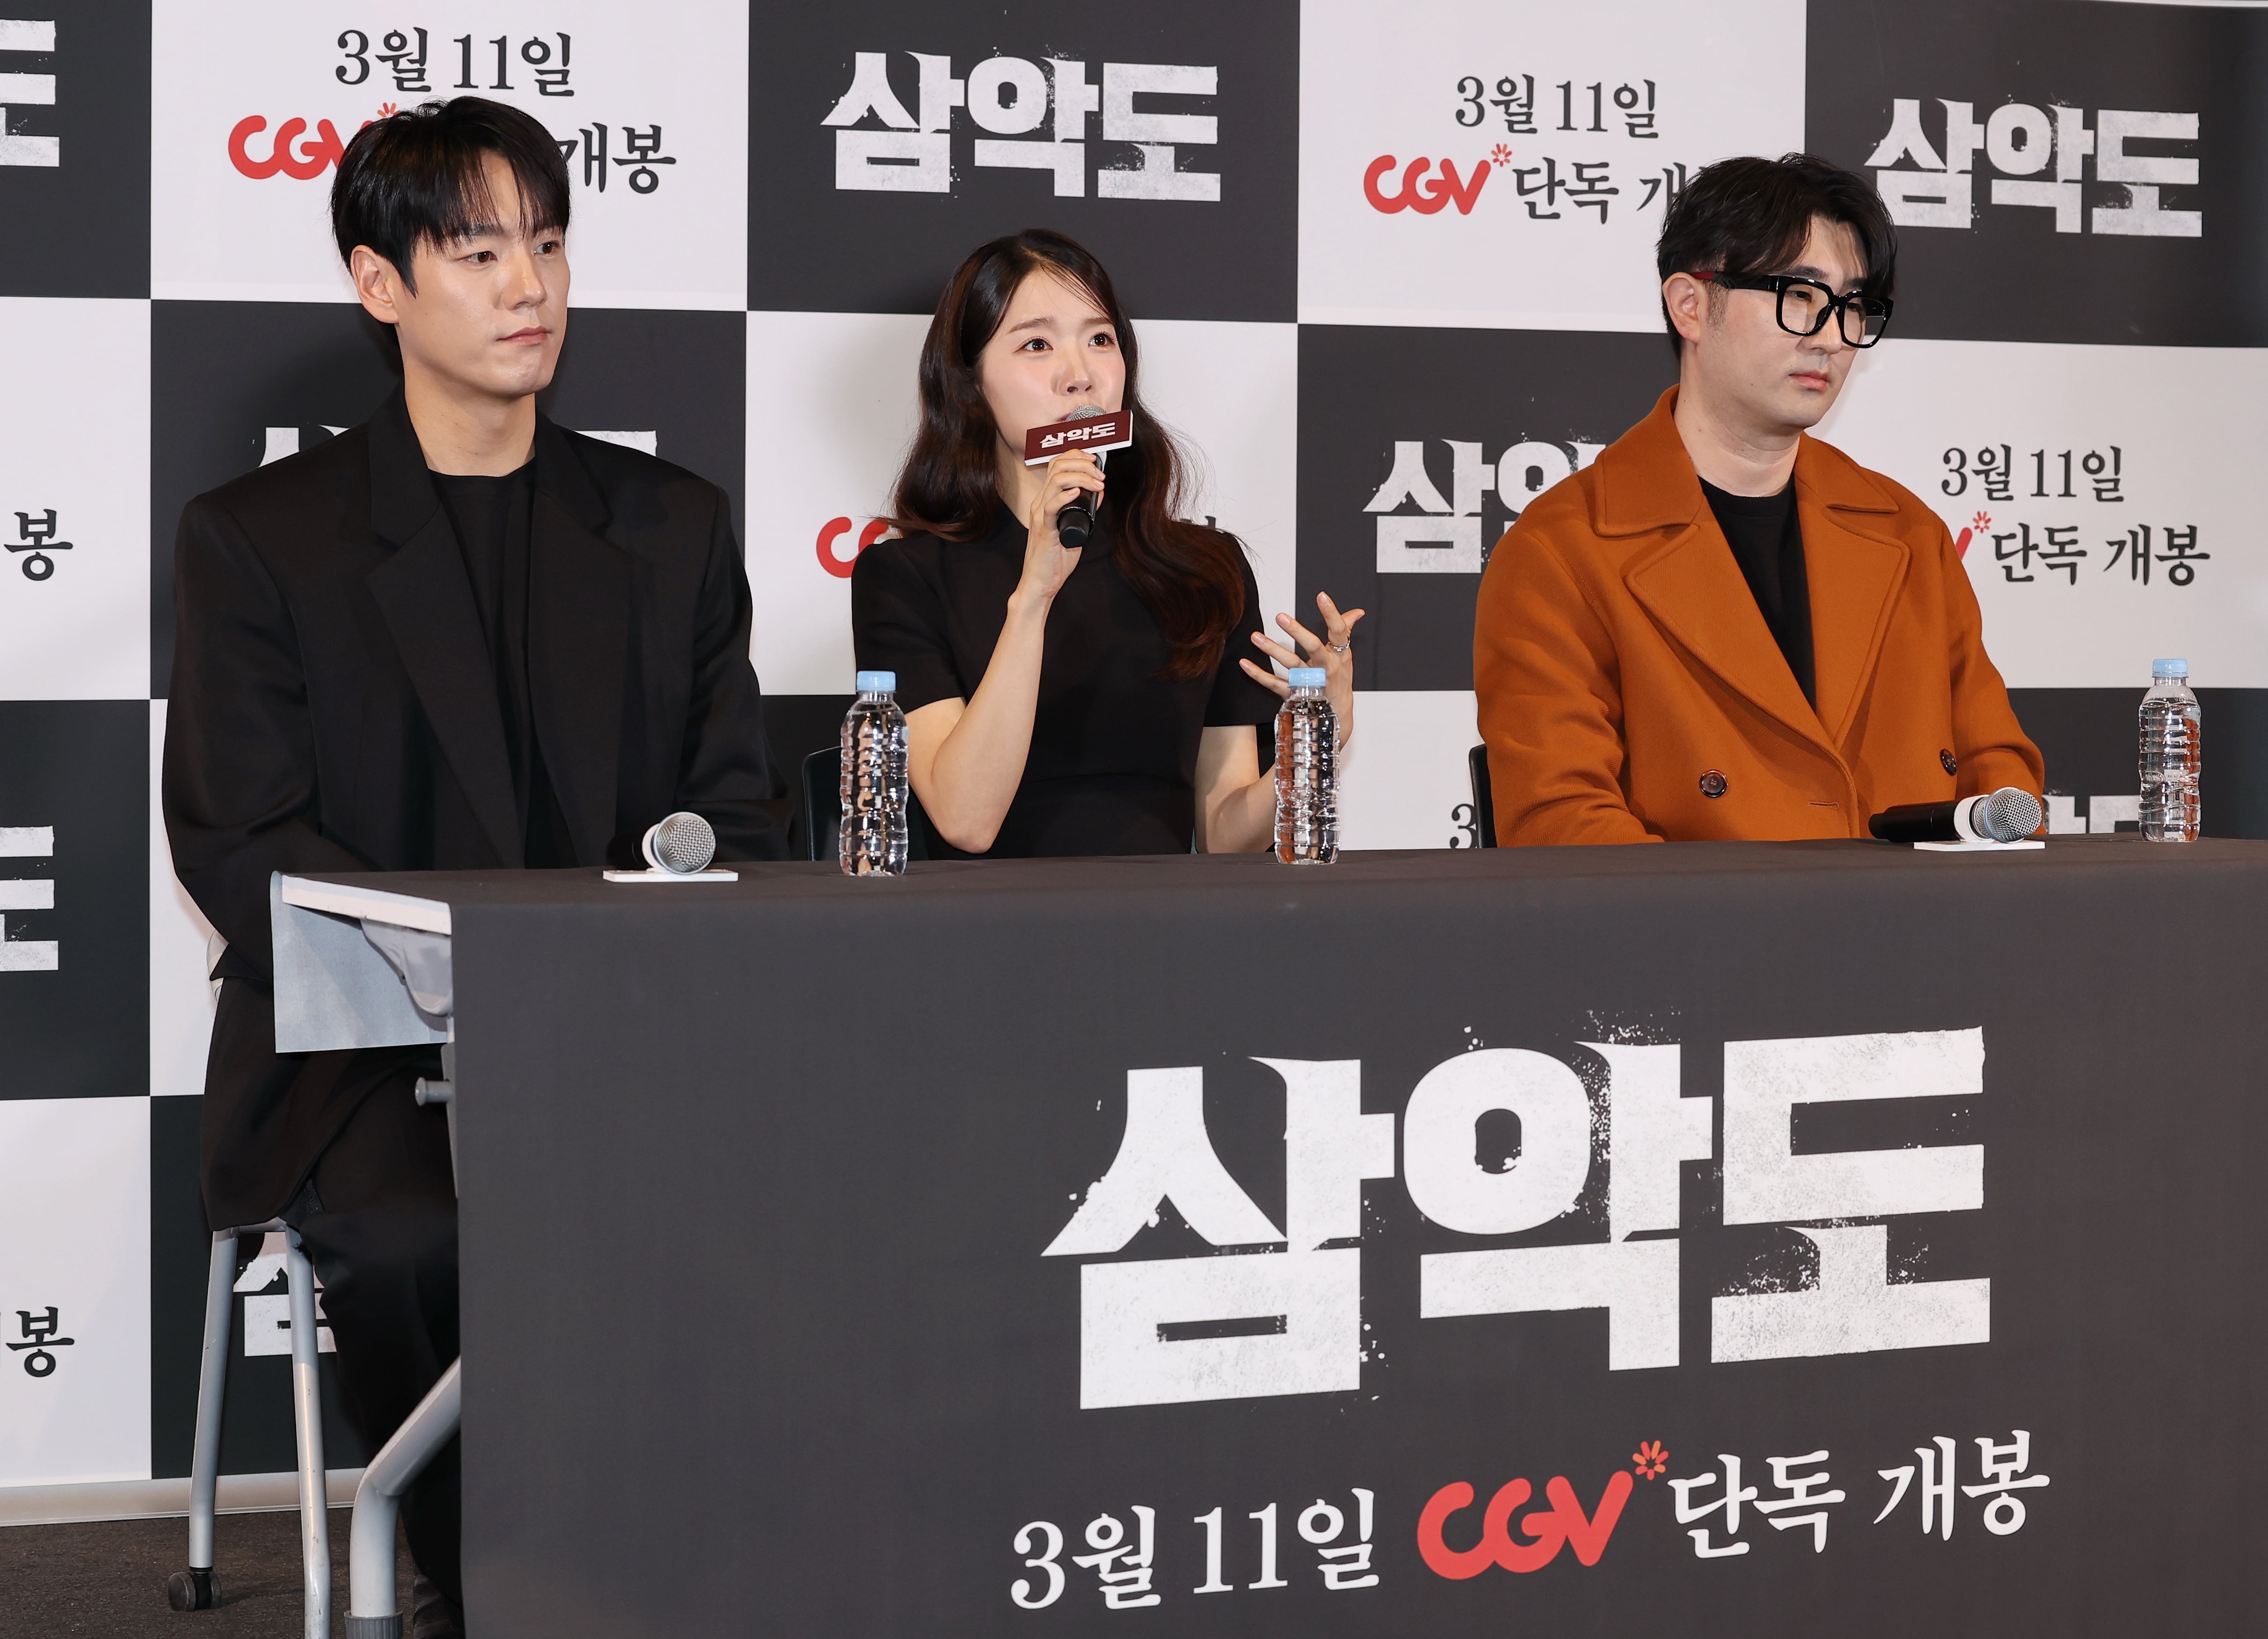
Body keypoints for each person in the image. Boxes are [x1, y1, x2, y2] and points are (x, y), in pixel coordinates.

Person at [163, 98, 786, 1636]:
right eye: (479, 251)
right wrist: (462, 978)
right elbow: (242, 836)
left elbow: (735, 809)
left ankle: (719, 1550)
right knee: (421, 1238)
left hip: (629, 1032)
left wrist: (620, 954)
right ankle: (487, 1568)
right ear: (381, 284)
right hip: (363, 1051)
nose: (531, 287)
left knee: (775, 1205)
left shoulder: (670, 525)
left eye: (549, 244)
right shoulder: (261, 536)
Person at [1472, 154, 2043, 845]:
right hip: (1702, 918)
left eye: (1852, 306)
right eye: (1798, 295)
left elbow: (1997, 770)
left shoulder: (1908, 532)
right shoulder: (1561, 552)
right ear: (1690, 305)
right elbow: (1564, 827)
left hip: (1912, 913)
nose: (1831, 337)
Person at [852, 229, 1362, 856]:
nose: (1080, 377)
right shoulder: (904, 575)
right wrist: (1034, 595)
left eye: (1100, 340)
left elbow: (1227, 837)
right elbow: (966, 820)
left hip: (1162, 913)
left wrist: (1320, 736)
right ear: (970, 382)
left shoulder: (1205, 570)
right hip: (989, 914)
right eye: (1037, 345)